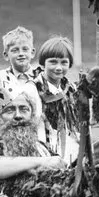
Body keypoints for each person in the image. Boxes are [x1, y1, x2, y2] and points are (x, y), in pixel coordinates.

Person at [0, 92, 64, 180]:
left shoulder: (42, 148)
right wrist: (41, 162)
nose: (18, 115)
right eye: (9, 110)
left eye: (24, 109)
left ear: (32, 115)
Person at [34, 35, 79, 166]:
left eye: (64, 62)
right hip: (43, 149)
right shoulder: (32, 89)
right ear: (43, 64)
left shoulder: (71, 89)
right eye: (53, 62)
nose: (59, 67)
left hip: (70, 145)